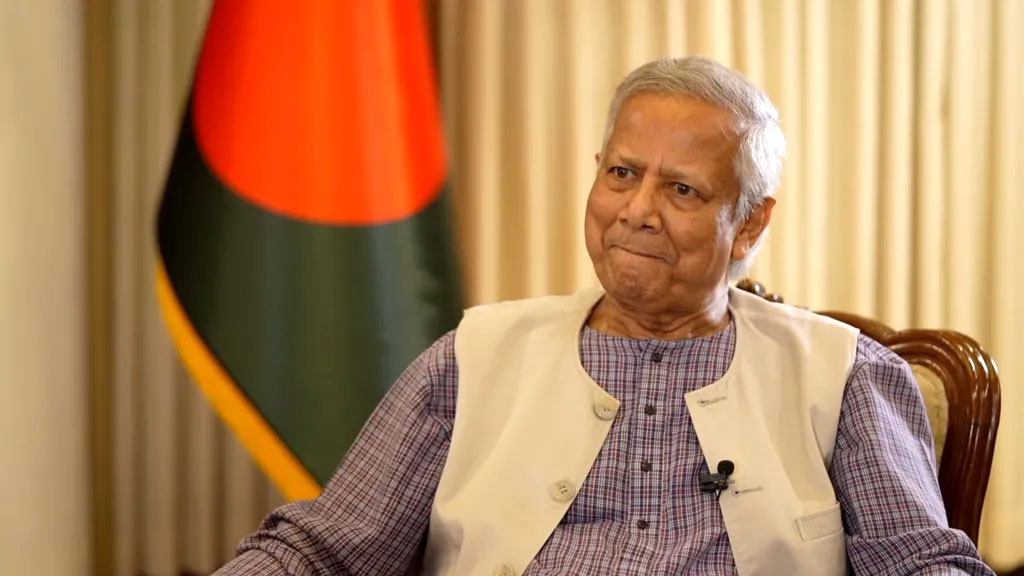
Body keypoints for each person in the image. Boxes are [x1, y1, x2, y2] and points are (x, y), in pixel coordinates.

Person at [214, 57, 993, 575]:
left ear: (750, 223)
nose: (637, 210)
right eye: (622, 174)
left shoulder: (843, 377)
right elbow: (324, 551)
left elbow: (920, 564)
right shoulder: (472, 358)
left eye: (682, 189)